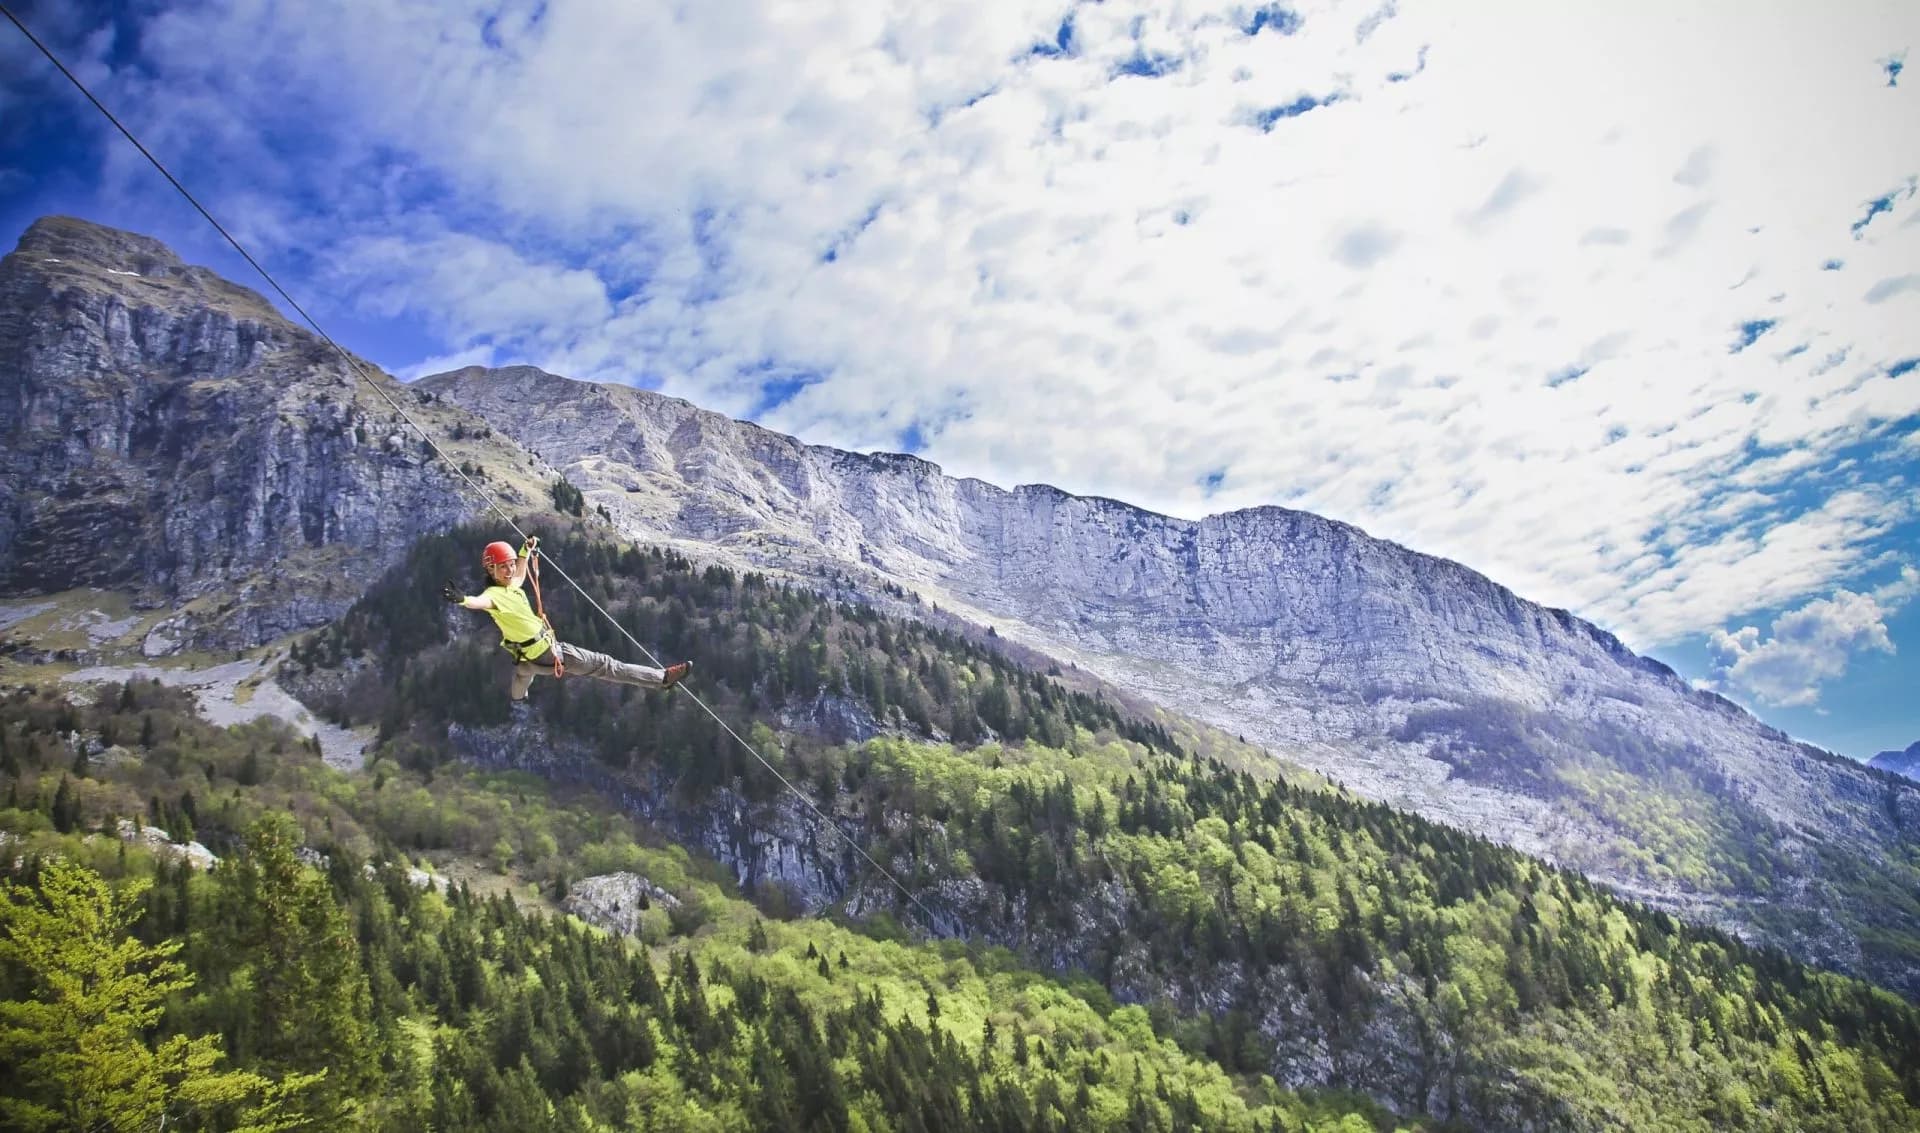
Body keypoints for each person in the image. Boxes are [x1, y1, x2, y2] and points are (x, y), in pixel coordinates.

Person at [442, 536, 690, 708]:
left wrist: (524, 551)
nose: (508, 571)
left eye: (509, 566)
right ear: (491, 571)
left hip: (531, 656)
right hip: (551, 653)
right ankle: (662, 679)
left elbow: (519, 573)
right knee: (607, 666)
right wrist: (463, 599)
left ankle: (518, 698)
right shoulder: (493, 596)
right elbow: (479, 602)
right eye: (502, 568)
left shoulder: (511, 586)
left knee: (523, 674)